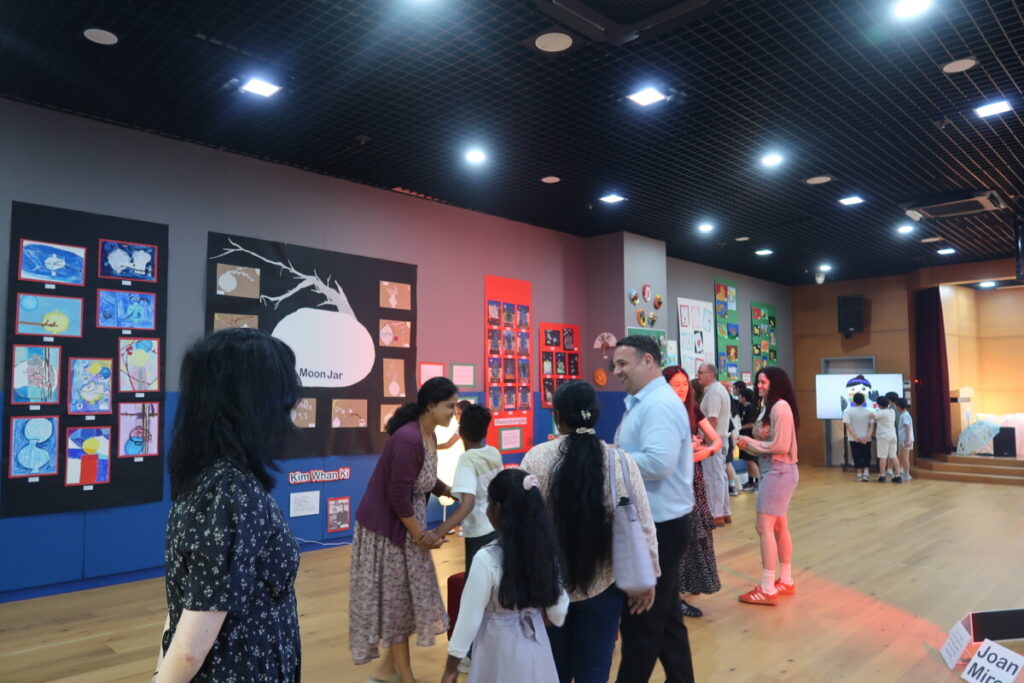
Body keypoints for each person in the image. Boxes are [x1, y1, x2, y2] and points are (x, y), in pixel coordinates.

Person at [155, 328, 301, 682]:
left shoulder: (211, 476)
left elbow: (184, 607)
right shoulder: (230, 490)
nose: (291, 409)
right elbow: (190, 645)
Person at [521, 380, 659, 682]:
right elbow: (644, 524)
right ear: (595, 414)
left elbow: (523, 530)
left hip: (549, 586)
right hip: (604, 585)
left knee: (552, 671)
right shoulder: (621, 461)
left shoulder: (535, 458)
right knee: (595, 671)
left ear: (558, 416)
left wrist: (526, 586)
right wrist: (649, 577)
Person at [349, 377, 459, 683]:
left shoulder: (428, 434)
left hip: (407, 529)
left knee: (407, 600)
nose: (454, 412)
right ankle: (405, 677)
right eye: (449, 406)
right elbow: (398, 495)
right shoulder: (409, 439)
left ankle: (388, 671)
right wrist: (420, 536)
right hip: (389, 533)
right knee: (398, 603)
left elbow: (422, 477)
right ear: (430, 406)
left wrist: (447, 490)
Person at [611, 336, 695, 683]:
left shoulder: (658, 404)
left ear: (647, 361)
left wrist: (609, 459)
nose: (616, 371)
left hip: (659, 527)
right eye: (614, 365)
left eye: (622, 364)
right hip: (659, 523)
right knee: (667, 620)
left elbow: (659, 463)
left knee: (641, 623)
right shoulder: (645, 402)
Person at [441, 469, 569, 683]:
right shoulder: (547, 552)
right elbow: (558, 613)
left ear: (498, 509)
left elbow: (468, 620)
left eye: (489, 504)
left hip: (498, 646)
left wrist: (451, 668)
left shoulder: (486, 559)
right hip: (536, 646)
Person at [736, 367, 800, 606]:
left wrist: (751, 443)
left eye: (763, 382)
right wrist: (749, 445)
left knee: (764, 526)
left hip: (779, 471)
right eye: (758, 382)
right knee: (779, 526)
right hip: (773, 471)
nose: (759, 386)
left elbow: (781, 446)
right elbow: (769, 445)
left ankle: (767, 587)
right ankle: (786, 580)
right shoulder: (768, 407)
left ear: (776, 383)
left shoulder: (780, 407)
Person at [663, 366, 723, 618]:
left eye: (684, 384)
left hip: (693, 480)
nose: (681, 389)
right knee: (676, 537)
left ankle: (687, 585)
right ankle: (673, 596)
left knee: (694, 534)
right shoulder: (661, 412)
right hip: (671, 483)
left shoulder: (692, 409)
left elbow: (716, 439)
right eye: (675, 384)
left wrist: (706, 450)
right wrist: (687, 447)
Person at [447, 404, 503, 572]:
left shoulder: (467, 459)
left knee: (476, 578)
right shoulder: (494, 453)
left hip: (478, 532)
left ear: (460, 431)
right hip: (497, 526)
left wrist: (438, 532)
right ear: (485, 432)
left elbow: (468, 503)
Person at [697, 363, 732, 524]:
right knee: (720, 476)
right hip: (720, 438)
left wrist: (707, 440)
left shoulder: (714, 392)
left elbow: (713, 419)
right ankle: (724, 511)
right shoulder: (715, 390)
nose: (698, 375)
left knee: (713, 477)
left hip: (714, 439)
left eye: (701, 372)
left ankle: (716, 514)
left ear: (711, 374)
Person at [843, 393, 875, 481]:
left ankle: (859, 474)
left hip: (853, 439)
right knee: (866, 455)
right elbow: (871, 427)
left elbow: (848, 426)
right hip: (866, 439)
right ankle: (866, 473)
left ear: (853, 401)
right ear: (864, 401)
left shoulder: (848, 412)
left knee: (856, 455)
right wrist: (866, 437)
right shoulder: (869, 412)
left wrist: (856, 437)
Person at [737, 388, 761, 491]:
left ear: (744, 397)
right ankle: (750, 481)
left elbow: (751, 424)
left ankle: (759, 483)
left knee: (751, 460)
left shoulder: (751, 408)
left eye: (740, 396)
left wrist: (739, 428)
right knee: (747, 460)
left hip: (749, 436)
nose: (738, 397)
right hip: (743, 436)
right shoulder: (743, 407)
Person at [874, 396, 900, 482]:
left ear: (879, 404)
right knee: (894, 456)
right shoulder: (892, 411)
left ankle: (882, 476)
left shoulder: (881, 413)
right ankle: (898, 476)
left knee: (883, 457)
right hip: (893, 436)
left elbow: (871, 415)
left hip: (883, 437)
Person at [895, 398, 915, 481]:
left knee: (905, 457)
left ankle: (907, 475)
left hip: (906, 440)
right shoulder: (904, 414)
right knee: (901, 456)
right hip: (903, 440)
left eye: (896, 406)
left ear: (899, 406)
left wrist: (907, 440)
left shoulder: (905, 415)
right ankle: (901, 472)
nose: (896, 407)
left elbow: (907, 427)